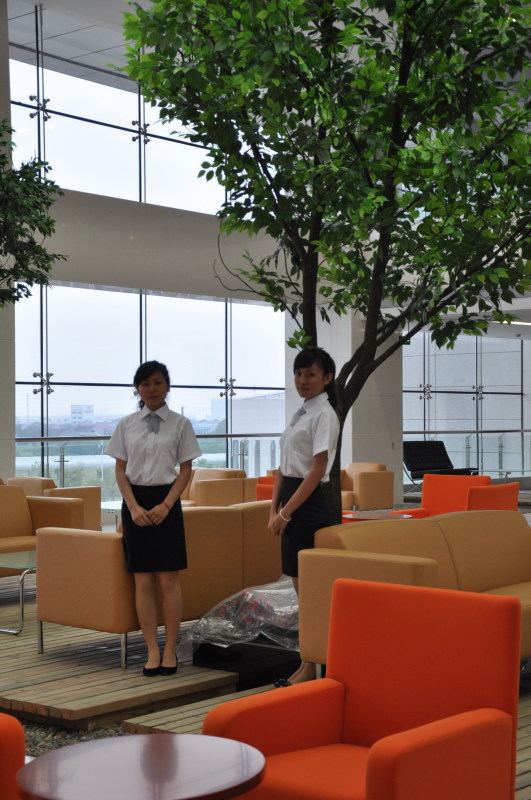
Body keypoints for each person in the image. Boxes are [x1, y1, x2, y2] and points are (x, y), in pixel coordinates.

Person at [105, 360, 201, 677]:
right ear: (137, 389)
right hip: (135, 503)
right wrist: (132, 507)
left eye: (158, 382)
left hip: (167, 502)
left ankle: (170, 649)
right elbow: (120, 470)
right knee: (143, 579)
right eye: (145, 384)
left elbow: (186, 469)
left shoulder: (180, 424)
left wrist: (167, 504)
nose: (152, 389)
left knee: (169, 579)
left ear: (167, 386)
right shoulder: (126, 424)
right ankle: (151, 650)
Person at [269, 346, 340, 686]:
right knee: (302, 594)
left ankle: (311, 666)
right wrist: (273, 508)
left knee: (309, 594)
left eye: (310, 374)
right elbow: (283, 466)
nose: (302, 380)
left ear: (327, 378)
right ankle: (308, 664)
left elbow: (318, 469)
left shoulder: (324, 413)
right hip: (291, 502)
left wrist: (285, 512)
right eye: (298, 373)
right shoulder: (301, 412)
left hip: (307, 505)